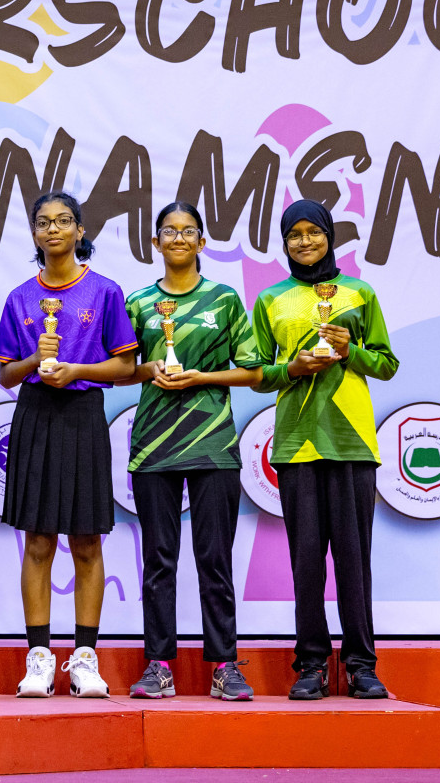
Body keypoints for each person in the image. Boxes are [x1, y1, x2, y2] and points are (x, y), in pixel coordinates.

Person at [252, 199, 399, 700]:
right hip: (296, 443)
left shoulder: (359, 293)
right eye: (295, 234)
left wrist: (348, 350)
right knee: (306, 561)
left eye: (314, 232)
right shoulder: (271, 299)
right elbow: (258, 372)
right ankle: (311, 664)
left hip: (352, 442)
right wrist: (291, 369)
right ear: (285, 241)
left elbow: (386, 364)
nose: (305, 242)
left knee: (355, 561)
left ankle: (361, 665)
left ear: (330, 237)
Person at [0, 191, 137, 699]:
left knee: (86, 540)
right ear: (34, 233)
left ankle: (84, 658)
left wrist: (76, 370)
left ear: (80, 231)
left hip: (83, 415)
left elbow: (125, 367)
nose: (53, 230)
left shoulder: (105, 292)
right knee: (37, 540)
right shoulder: (19, 297)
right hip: (35, 415)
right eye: (43, 222)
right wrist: (37, 359)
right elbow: (8, 375)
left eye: (63, 221)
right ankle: (38, 658)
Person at [119, 201, 261, 701]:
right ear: (154, 243)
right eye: (168, 232)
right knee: (158, 559)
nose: (178, 239)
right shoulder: (137, 302)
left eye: (188, 231)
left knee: (214, 558)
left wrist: (201, 377)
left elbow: (254, 371)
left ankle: (225, 665)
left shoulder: (224, 300)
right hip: (154, 447)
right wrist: (149, 369)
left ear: (202, 243)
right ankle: (158, 665)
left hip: (213, 446)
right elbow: (123, 368)